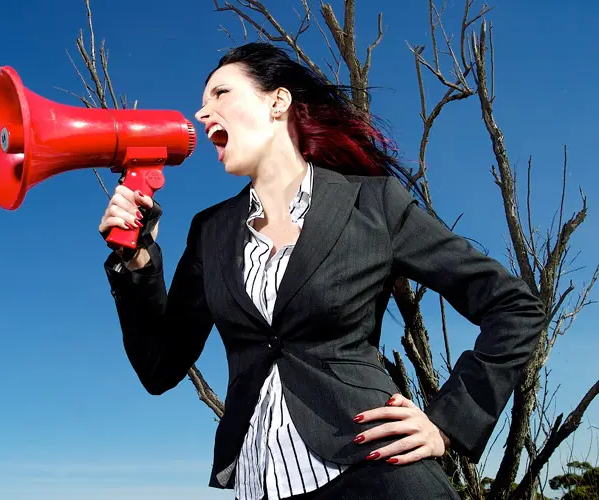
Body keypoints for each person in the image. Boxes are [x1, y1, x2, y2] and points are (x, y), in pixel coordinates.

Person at [98, 42, 546, 500]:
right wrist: (137, 263)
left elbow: (514, 307)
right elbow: (160, 367)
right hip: (259, 485)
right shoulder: (210, 231)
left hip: (378, 475)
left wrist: (449, 423)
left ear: (278, 101)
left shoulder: (373, 204)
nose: (202, 112)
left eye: (220, 94)